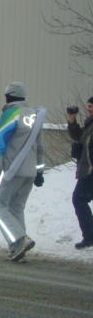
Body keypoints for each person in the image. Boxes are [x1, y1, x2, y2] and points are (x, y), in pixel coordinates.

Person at [0, 82, 46, 262]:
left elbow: (0, 142)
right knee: (16, 208)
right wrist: (40, 171)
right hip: (30, 171)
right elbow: (40, 147)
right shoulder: (34, 115)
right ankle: (18, 249)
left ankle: (20, 239)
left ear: (8, 97)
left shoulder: (11, 113)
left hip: (11, 169)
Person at [66, 97, 93, 250]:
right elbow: (79, 138)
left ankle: (89, 237)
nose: (87, 109)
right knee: (80, 200)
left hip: (90, 171)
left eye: (90, 106)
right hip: (87, 170)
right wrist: (72, 120)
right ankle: (89, 236)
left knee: (79, 199)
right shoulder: (89, 124)